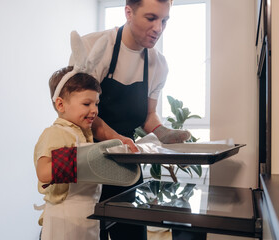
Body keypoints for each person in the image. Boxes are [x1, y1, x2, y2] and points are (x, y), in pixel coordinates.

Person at [67, 0, 192, 239]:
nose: (159, 27)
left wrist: (165, 135)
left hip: (127, 167)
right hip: (88, 163)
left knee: (133, 234)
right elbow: (80, 113)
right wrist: (118, 140)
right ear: (128, 12)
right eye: (151, 18)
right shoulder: (94, 47)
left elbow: (147, 115)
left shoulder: (159, 64)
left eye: (164, 20)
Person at [34, 62, 141, 240]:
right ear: (60, 105)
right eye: (86, 103)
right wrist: (85, 159)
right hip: (64, 220)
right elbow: (44, 172)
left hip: (86, 218)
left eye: (96, 103)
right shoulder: (57, 133)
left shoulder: (82, 133)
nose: (94, 110)